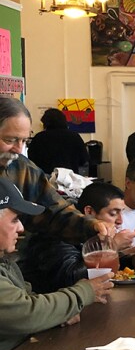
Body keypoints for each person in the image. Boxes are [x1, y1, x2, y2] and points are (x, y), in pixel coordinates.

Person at [0, 177, 114, 350]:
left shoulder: (4, 262)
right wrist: (84, 292)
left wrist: (56, 315)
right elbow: (26, 313)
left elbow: (29, 299)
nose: (21, 228)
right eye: (14, 220)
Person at [0, 99, 112, 243]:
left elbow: (53, 210)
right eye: (10, 140)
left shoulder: (22, 168)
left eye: (24, 141)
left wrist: (91, 225)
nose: (18, 149)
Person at [26, 108, 89, 176]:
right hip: (70, 179)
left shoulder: (39, 138)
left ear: (46, 122)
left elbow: (31, 161)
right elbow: (84, 159)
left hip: (46, 180)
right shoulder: (75, 136)